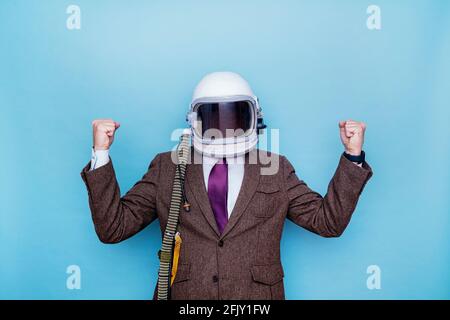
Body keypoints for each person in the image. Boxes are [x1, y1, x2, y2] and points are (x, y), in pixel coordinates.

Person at [80, 71, 373, 300]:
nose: (225, 126)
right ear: (195, 119)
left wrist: (352, 156)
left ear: (253, 116)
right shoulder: (167, 166)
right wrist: (101, 154)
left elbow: (328, 222)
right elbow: (113, 228)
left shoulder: (276, 167)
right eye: (214, 117)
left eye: (234, 115)